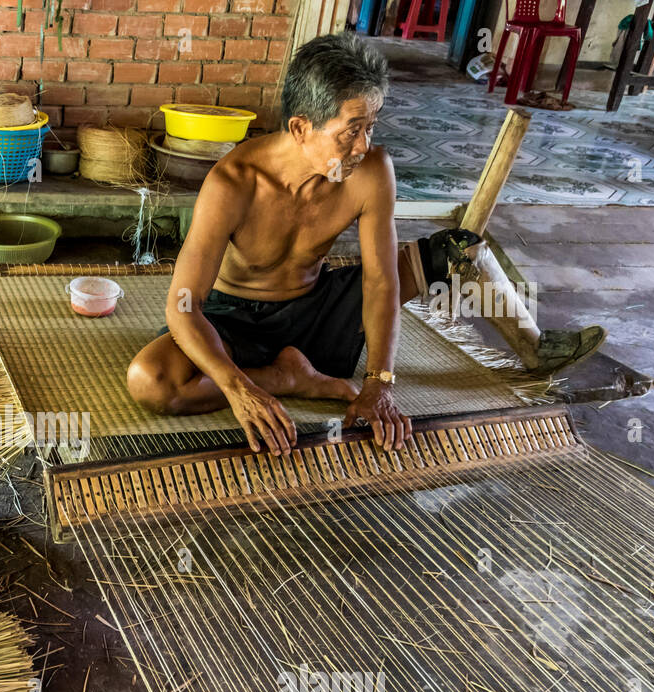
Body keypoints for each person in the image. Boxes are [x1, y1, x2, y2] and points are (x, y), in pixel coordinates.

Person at [127, 32, 603, 456]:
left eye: (370, 126)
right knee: (151, 382)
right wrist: (240, 388)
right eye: (350, 131)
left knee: (463, 249)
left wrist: (379, 381)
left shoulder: (371, 170)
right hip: (235, 323)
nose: (363, 145)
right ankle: (287, 377)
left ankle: (536, 347)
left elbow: (380, 282)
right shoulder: (234, 182)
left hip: (321, 312)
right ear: (300, 128)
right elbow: (183, 305)